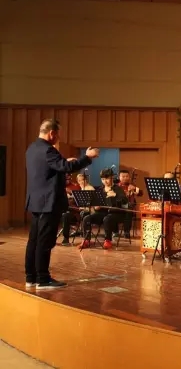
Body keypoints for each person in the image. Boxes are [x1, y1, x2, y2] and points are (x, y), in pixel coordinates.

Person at [25, 119, 99, 289]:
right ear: (52, 133)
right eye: (58, 134)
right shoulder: (48, 150)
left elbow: (49, 170)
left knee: (33, 241)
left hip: (36, 201)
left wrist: (65, 161)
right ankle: (43, 279)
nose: (58, 138)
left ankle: (31, 277)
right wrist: (87, 157)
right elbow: (66, 167)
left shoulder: (31, 149)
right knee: (45, 242)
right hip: (48, 202)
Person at [77, 168, 128, 250]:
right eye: (103, 179)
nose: (105, 181)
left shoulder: (118, 189)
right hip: (103, 213)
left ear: (112, 178)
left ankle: (108, 240)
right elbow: (96, 205)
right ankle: (86, 240)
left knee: (107, 219)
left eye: (107, 179)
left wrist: (115, 195)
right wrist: (96, 207)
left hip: (117, 213)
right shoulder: (100, 189)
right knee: (87, 218)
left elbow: (125, 201)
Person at [60, 173, 94, 245]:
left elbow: (91, 204)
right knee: (65, 215)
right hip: (76, 211)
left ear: (86, 180)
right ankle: (66, 239)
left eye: (83, 180)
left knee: (82, 213)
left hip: (84, 211)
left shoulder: (89, 188)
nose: (81, 182)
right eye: (79, 180)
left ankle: (86, 239)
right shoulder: (80, 188)